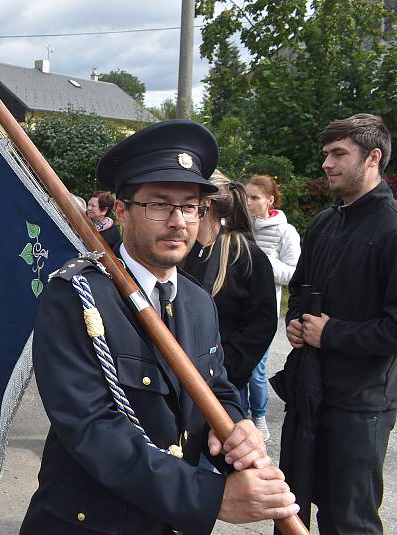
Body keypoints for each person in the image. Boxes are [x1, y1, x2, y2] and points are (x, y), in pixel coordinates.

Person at [21, 120, 297, 534]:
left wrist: (237, 430)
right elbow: (91, 427)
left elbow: (215, 388)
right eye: (159, 204)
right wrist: (209, 496)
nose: (178, 221)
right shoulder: (76, 296)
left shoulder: (198, 301)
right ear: (122, 211)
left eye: (190, 207)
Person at [283, 113, 397, 534]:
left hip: (361, 404)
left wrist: (329, 333)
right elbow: (299, 290)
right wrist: (296, 322)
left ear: (373, 158)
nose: (327, 164)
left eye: (338, 154)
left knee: (348, 520)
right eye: (326, 155)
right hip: (308, 392)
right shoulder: (325, 222)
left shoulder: (392, 228)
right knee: (290, 509)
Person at [182, 171, 278, 438]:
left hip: (219, 386)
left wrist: (225, 371)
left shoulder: (247, 256)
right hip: (177, 380)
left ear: (206, 206)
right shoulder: (180, 249)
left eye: (188, 204)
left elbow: (261, 324)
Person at [244, 174, 301, 440]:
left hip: (263, 312)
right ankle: (238, 417)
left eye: (254, 197)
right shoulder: (240, 225)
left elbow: (294, 274)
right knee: (233, 367)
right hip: (236, 309)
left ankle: (259, 416)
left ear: (270, 200)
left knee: (256, 369)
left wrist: (264, 262)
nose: (248, 202)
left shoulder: (285, 231)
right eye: (246, 196)